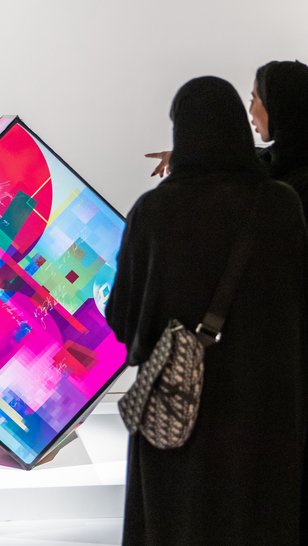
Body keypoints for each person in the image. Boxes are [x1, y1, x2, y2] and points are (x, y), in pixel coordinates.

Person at [106, 76, 308, 545]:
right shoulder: (281, 205)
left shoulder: (153, 212)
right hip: (266, 413)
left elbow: (123, 317)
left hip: (180, 415)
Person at [148, 61, 308, 221]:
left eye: (254, 99)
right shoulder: (277, 160)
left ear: (277, 104)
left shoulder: (293, 192)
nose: (250, 110)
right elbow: (235, 159)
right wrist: (186, 156)